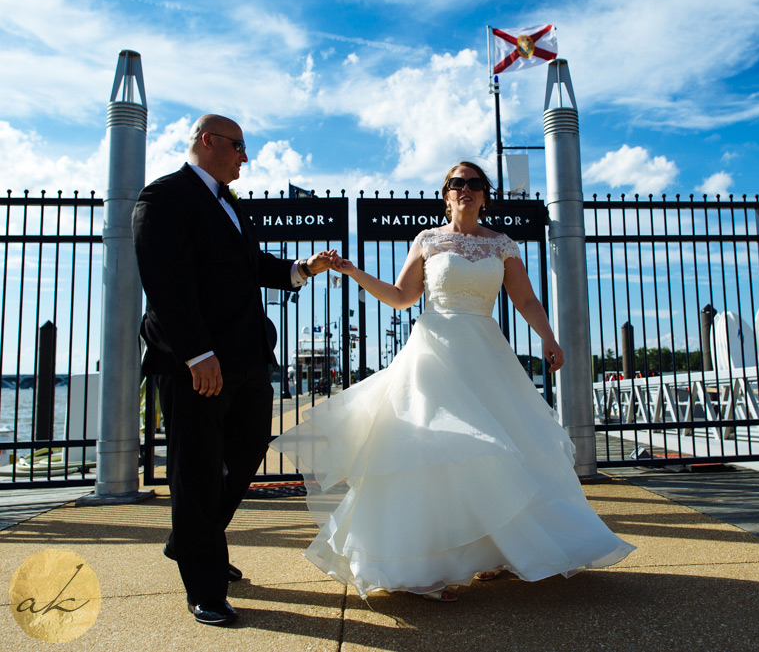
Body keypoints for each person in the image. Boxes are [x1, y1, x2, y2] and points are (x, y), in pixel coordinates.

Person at [272, 161, 635, 602]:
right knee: (429, 448)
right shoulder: (427, 240)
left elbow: (524, 298)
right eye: (457, 183)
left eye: (474, 184)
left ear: (485, 195)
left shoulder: (502, 245)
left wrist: (548, 337)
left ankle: (496, 551)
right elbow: (404, 297)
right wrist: (354, 273)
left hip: (486, 354)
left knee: (499, 450)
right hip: (433, 353)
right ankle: (424, 561)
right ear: (446, 194)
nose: (465, 189)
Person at [132, 114, 335, 626]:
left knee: (245, 453)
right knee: (196, 472)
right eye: (239, 146)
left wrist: (300, 269)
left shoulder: (230, 204)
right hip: (197, 363)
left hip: (245, 359)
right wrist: (196, 353)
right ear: (209, 141)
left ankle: (188, 540)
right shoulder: (165, 198)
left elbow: (249, 264)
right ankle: (205, 584)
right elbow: (165, 281)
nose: (246, 155)